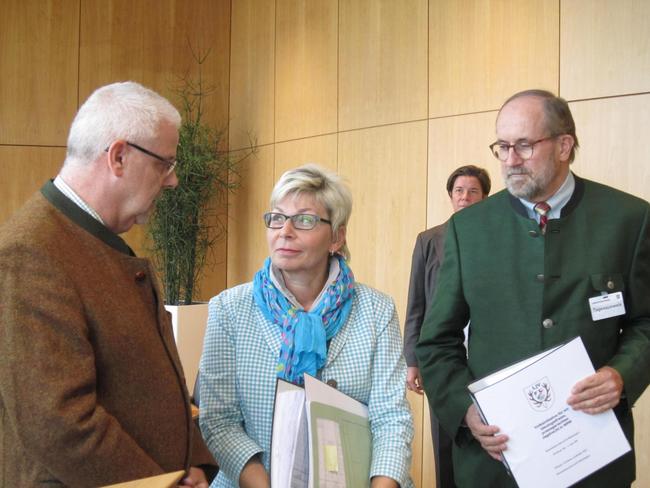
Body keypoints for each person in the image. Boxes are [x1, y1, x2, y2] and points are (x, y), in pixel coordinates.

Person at [415, 89, 650, 487]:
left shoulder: (629, 219)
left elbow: (646, 322)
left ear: (564, 145)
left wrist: (621, 375)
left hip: (592, 459)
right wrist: (466, 411)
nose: (510, 160)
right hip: (495, 462)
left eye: (524, 145)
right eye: (502, 147)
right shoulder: (467, 230)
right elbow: (437, 342)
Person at [0, 81, 217, 486]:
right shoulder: (30, 253)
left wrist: (193, 463)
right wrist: (163, 483)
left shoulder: (81, 239)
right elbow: (60, 422)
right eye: (164, 164)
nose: (171, 181)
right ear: (118, 157)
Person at [199, 164, 414, 488]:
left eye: (304, 220)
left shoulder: (375, 310)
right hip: (254, 482)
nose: (285, 231)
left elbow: (392, 420)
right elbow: (220, 421)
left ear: (337, 237)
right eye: (276, 218)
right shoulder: (229, 309)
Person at [403, 164, 490, 488]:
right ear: (451, 197)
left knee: (491, 438)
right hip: (442, 359)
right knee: (444, 439)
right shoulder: (429, 240)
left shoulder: (497, 240)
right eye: (459, 191)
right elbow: (416, 305)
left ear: (485, 197)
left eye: (473, 191)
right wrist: (413, 360)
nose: (465, 197)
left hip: (487, 358)